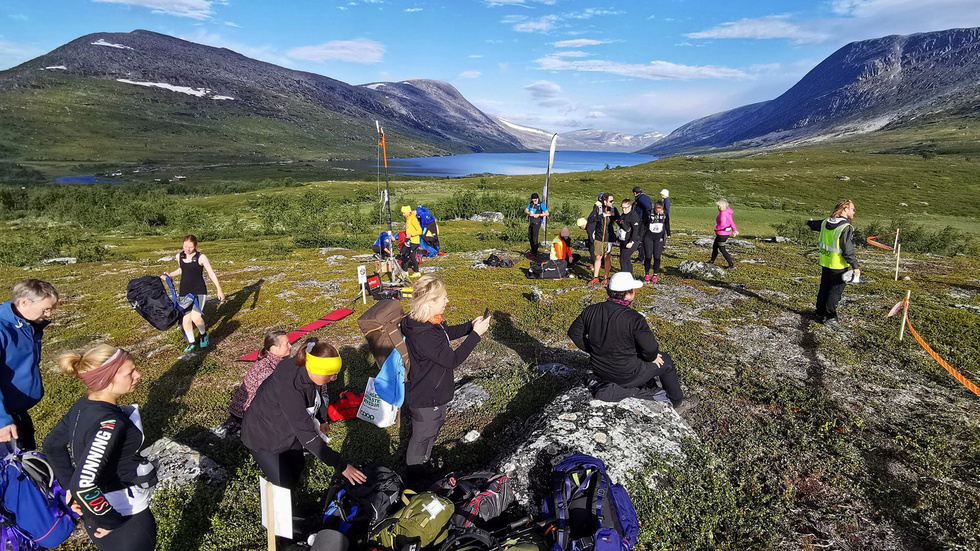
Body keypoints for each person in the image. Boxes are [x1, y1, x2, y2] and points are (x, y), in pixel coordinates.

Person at [43, 345, 157, 551]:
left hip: (93, 516)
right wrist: (112, 522)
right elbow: (84, 485)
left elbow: (52, 446)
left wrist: (70, 486)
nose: (138, 375)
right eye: (130, 372)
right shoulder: (110, 423)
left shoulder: (82, 405)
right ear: (106, 378)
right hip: (125, 515)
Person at [242, 337, 366, 491]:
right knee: (283, 484)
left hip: (286, 427)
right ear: (315, 370)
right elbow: (308, 437)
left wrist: (322, 419)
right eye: (330, 375)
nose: (333, 379)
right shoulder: (290, 388)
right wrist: (341, 465)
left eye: (335, 374)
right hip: (263, 435)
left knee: (298, 465)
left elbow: (316, 394)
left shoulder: (306, 368)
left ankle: (295, 498)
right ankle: (290, 512)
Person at [401, 275, 490, 481]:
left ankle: (424, 463)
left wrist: (470, 326)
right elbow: (452, 360)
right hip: (426, 396)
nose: (447, 300)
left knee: (433, 428)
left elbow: (446, 333)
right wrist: (475, 335)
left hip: (434, 392)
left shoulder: (427, 322)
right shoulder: (424, 334)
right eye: (443, 298)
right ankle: (414, 478)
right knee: (422, 437)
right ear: (431, 301)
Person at [568, 273, 688, 410]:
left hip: (599, 369)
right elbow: (649, 349)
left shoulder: (591, 310)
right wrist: (652, 357)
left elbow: (574, 333)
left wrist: (594, 350)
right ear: (628, 293)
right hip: (627, 375)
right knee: (666, 362)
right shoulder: (634, 319)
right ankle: (676, 401)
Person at [0, 279, 59, 449]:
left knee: (29, 461)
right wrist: (2, 421)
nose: (48, 314)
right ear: (25, 302)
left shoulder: (27, 324)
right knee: (13, 472)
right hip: (4, 421)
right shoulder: (3, 329)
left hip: (17, 412)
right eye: (45, 309)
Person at [163, 235, 225, 353]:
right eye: (185, 246)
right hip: (184, 291)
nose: (188, 249)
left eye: (190, 247)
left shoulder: (201, 257)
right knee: (185, 319)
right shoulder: (179, 256)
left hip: (199, 291)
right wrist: (169, 274)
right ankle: (191, 342)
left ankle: (203, 334)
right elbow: (182, 270)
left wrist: (219, 289)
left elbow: (211, 273)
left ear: (195, 246)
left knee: (196, 317)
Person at [806, 200, 861, 325]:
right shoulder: (845, 227)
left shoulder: (826, 221)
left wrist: (808, 223)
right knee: (835, 291)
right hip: (838, 265)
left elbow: (815, 225)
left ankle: (819, 312)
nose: (854, 211)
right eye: (852, 209)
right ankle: (830, 315)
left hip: (825, 261)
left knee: (824, 287)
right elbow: (847, 249)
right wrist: (855, 266)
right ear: (845, 209)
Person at [228, 330, 289, 420]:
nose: (290, 346)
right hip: (245, 414)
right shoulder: (265, 370)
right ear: (274, 348)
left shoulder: (273, 360)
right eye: (287, 344)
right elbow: (272, 397)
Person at [585, 193, 618, 286]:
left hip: (609, 237)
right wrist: (602, 215)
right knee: (598, 257)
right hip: (599, 237)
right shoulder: (598, 208)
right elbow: (590, 219)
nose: (612, 202)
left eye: (612, 201)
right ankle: (595, 277)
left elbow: (619, 220)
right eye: (610, 201)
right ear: (605, 201)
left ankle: (605, 277)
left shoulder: (613, 209)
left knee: (607, 257)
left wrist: (614, 215)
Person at [643, 200, 671, 283]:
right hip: (649, 236)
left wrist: (668, 233)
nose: (658, 212)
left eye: (660, 210)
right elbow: (643, 224)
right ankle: (647, 273)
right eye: (656, 210)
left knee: (657, 256)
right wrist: (641, 237)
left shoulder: (665, 213)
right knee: (648, 256)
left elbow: (667, 223)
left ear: (662, 208)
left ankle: (655, 274)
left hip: (659, 237)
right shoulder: (648, 213)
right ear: (654, 208)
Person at [617, 199, 643, 277]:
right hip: (623, 240)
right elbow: (622, 226)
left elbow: (635, 230)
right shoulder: (623, 215)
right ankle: (629, 276)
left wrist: (631, 242)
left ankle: (624, 277)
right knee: (626, 259)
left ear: (630, 206)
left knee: (623, 259)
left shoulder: (633, 216)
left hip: (631, 241)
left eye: (626, 208)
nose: (624, 209)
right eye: (622, 207)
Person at [709, 199, 738, 269]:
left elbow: (722, 223)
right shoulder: (727, 212)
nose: (718, 207)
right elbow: (731, 222)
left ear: (724, 206)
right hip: (725, 233)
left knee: (722, 249)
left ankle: (731, 265)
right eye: (718, 206)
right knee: (715, 246)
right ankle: (711, 261)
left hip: (722, 233)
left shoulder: (723, 213)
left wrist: (717, 228)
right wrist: (735, 230)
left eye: (719, 206)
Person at [524, 193, 549, 259]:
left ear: (537, 199)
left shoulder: (541, 204)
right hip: (531, 222)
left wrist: (539, 215)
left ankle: (535, 253)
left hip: (537, 223)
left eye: (535, 200)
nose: (534, 201)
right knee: (530, 237)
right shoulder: (530, 203)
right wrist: (529, 213)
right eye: (533, 200)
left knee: (535, 238)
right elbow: (526, 210)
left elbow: (547, 213)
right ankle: (532, 250)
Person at [632, 186, 653, 264]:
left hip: (642, 221)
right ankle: (643, 256)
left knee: (639, 238)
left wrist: (646, 219)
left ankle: (641, 257)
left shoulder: (641, 198)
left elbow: (648, 208)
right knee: (641, 238)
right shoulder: (644, 197)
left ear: (635, 193)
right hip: (644, 220)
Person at [400, 205, 422, 277]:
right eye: (402, 213)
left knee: (409, 256)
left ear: (408, 212)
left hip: (414, 241)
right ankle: (409, 272)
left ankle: (413, 272)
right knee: (408, 255)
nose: (403, 215)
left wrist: (411, 234)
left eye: (404, 213)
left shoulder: (413, 219)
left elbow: (419, 231)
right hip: (409, 240)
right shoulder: (408, 218)